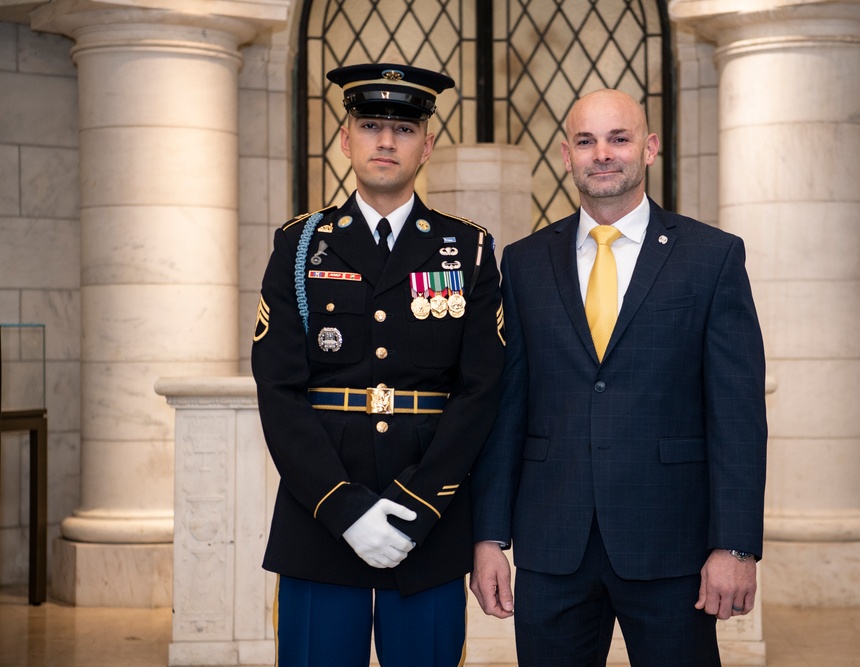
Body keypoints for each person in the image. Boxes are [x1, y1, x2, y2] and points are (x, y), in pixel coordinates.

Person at [469, 89, 767, 666]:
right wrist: (488, 538)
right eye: (586, 141)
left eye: (618, 138)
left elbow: (737, 415)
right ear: (566, 155)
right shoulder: (525, 262)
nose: (602, 153)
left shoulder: (712, 257)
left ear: (649, 148)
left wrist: (734, 544)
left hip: (672, 548)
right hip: (552, 545)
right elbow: (506, 409)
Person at [251, 63, 505, 667]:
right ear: (345, 138)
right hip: (319, 516)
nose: (386, 141)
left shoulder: (467, 249)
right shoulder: (299, 246)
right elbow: (279, 389)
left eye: (404, 128)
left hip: (429, 518)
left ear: (428, 145)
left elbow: (481, 391)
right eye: (369, 125)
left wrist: (418, 505)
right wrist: (342, 506)